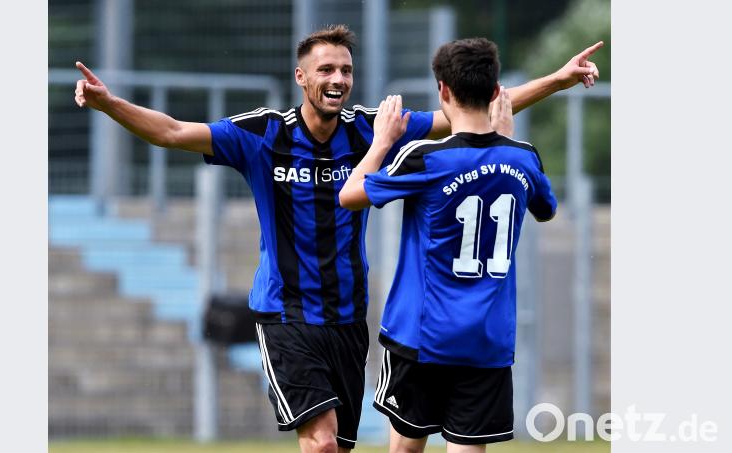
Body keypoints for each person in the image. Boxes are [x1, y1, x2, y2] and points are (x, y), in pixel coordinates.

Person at [74, 24, 599, 453]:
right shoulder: (263, 133)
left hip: (349, 317)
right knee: (322, 444)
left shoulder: (371, 129)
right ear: (301, 77)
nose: (338, 79)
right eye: (326, 69)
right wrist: (109, 104)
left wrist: (555, 81)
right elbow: (171, 131)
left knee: (339, 447)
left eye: (346, 70)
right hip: (287, 313)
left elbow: (466, 114)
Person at [338, 37, 556, 453]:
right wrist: (506, 141)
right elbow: (545, 210)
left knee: (405, 449)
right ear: (496, 92)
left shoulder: (426, 157)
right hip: (487, 339)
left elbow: (349, 195)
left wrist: (381, 142)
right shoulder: (524, 157)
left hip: (420, 337)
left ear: (443, 90)